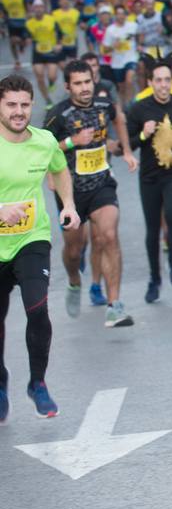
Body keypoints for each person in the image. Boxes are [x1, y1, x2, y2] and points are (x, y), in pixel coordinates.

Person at [0, 74, 79, 423]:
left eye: (25, 105)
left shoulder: (45, 141)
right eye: (11, 105)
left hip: (32, 238)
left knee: (38, 310)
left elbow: (60, 172)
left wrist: (68, 204)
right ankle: (0, 383)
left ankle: (38, 383)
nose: (19, 112)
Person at [43, 60, 136, 327]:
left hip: (101, 184)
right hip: (70, 191)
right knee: (74, 250)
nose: (85, 88)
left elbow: (119, 118)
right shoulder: (58, 113)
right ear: (67, 86)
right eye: (78, 83)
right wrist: (72, 142)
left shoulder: (104, 105)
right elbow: (43, 147)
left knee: (108, 235)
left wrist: (126, 151)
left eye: (87, 82)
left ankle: (114, 305)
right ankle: (74, 281)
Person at [125, 59, 172, 304]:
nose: (163, 85)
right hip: (149, 176)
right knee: (152, 230)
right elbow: (129, 143)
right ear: (150, 83)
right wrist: (142, 134)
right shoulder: (139, 108)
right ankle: (154, 278)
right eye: (158, 80)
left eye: (167, 80)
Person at [101, 4, 140, 107]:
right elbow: (105, 49)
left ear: (126, 15)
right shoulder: (110, 30)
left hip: (131, 57)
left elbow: (140, 35)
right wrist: (113, 46)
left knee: (129, 80)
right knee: (121, 87)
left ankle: (131, 104)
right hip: (117, 62)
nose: (121, 16)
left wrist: (140, 45)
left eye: (123, 13)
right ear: (115, 16)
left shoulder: (133, 26)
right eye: (118, 14)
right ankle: (124, 105)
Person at [25, 0, 60, 105]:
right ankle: (47, 100)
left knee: (52, 76)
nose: (38, 9)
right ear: (33, 9)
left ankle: (51, 83)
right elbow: (26, 35)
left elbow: (60, 33)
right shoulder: (29, 23)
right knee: (40, 77)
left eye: (41, 7)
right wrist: (27, 39)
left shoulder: (52, 20)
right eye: (36, 7)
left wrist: (59, 44)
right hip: (38, 53)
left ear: (44, 8)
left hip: (51, 51)